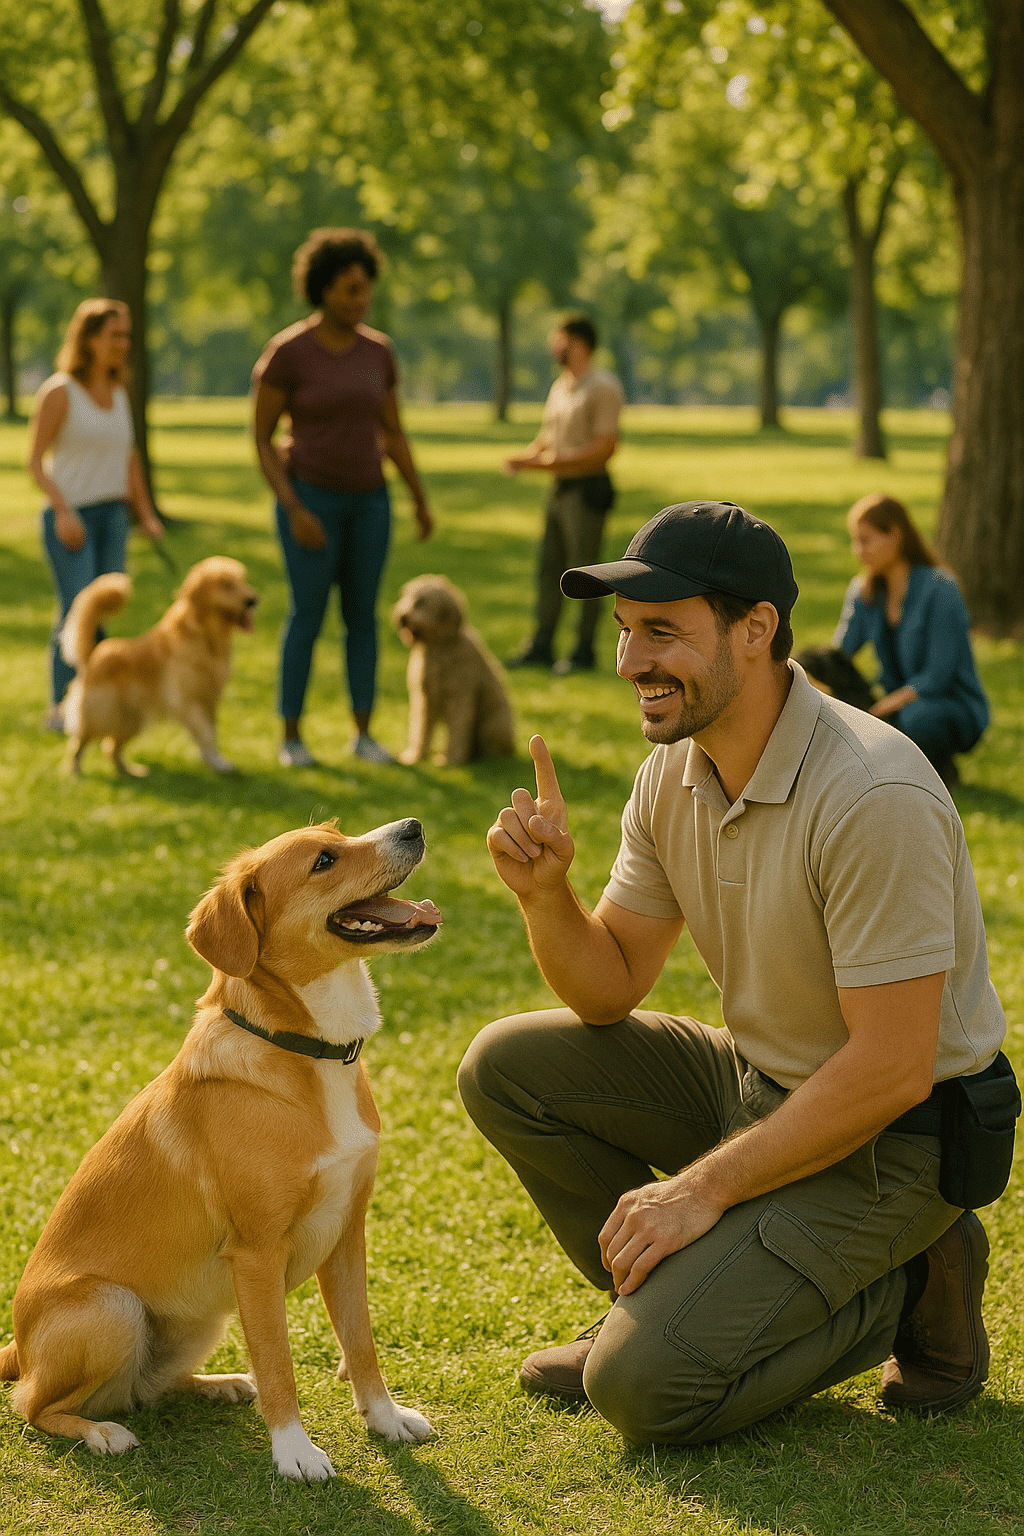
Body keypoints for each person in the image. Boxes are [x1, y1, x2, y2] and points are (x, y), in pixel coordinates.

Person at [458, 500, 1016, 1446]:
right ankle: (671, 1303)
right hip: (759, 1083)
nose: (632, 663)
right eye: (628, 632)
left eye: (663, 632)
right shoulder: (672, 772)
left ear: (755, 631)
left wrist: (701, 1189)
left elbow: (891, 1067)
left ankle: (915, 1279)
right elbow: (609, 985)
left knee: (639, 1393)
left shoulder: (873, 793)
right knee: (506, 1065)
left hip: (898, 1139)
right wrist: (545, 895)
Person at [252, 227, 434, 767]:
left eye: (366, 289)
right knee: (306, 616)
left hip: (369, 502)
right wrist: (293, 508)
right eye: (350, 289)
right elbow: (261, 438)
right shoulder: (289, 352)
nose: (361, 299)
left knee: (362, 618)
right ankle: (291, 737)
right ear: (323, 288)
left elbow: (393, 433)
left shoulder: (378, 352)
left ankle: (363, 734)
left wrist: (419, 498)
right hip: (310, 499)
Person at [27, 298, 164, 729]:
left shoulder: (119, 390)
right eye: (115, 335)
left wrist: (145, 512)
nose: (124, 344)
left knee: (102, 612)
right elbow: (34, 461)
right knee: (78, 611)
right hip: (72, 517)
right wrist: (62, 511)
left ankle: (91, 703)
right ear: (88, 338)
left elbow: (128, 458)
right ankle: (62, 707)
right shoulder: (60, 391)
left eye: (127, 335)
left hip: (113, 516)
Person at [834, 493, 989, 786]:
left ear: (894, 535)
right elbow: (840, 654)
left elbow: (938, 676)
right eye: (856, 540)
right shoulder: (864, 591)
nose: (858, 550)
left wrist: (880, 710)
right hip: (897, 705)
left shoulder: (941, 588)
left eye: (866, 540)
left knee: (916, 718)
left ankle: (941, 770)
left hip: (949, 705)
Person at [505, 316, 625, 676]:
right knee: (549, 568)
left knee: (585, 571)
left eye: (560, 341)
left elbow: (605, 447)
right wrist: (526, 459)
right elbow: (547, 438)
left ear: (579, 343)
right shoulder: (560, 386)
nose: (554, 348)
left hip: (586, 490)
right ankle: (542, 643)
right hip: (558, 490)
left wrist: (549, 464)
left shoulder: (602, 386)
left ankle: (583, 650)